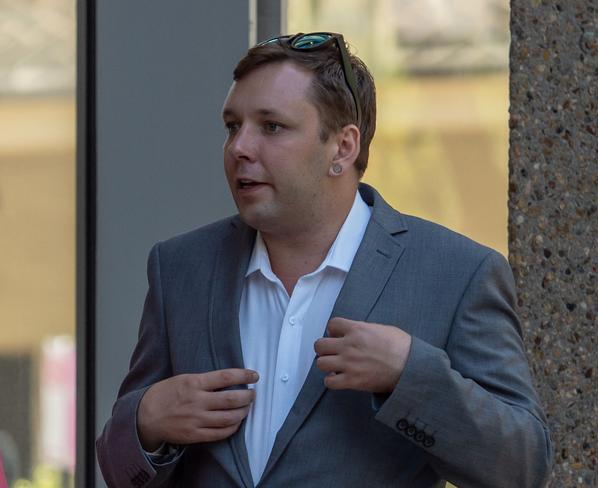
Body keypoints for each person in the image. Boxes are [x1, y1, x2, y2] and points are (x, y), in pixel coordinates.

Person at [97, 32, 552, 488]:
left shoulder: (457, 273)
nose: (239, 148)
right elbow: (119, 469)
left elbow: (522, 466)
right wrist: (147, 421)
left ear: (343, 148)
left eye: (271, 126)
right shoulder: (180, 267)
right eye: (233, 126)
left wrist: (408, 374)